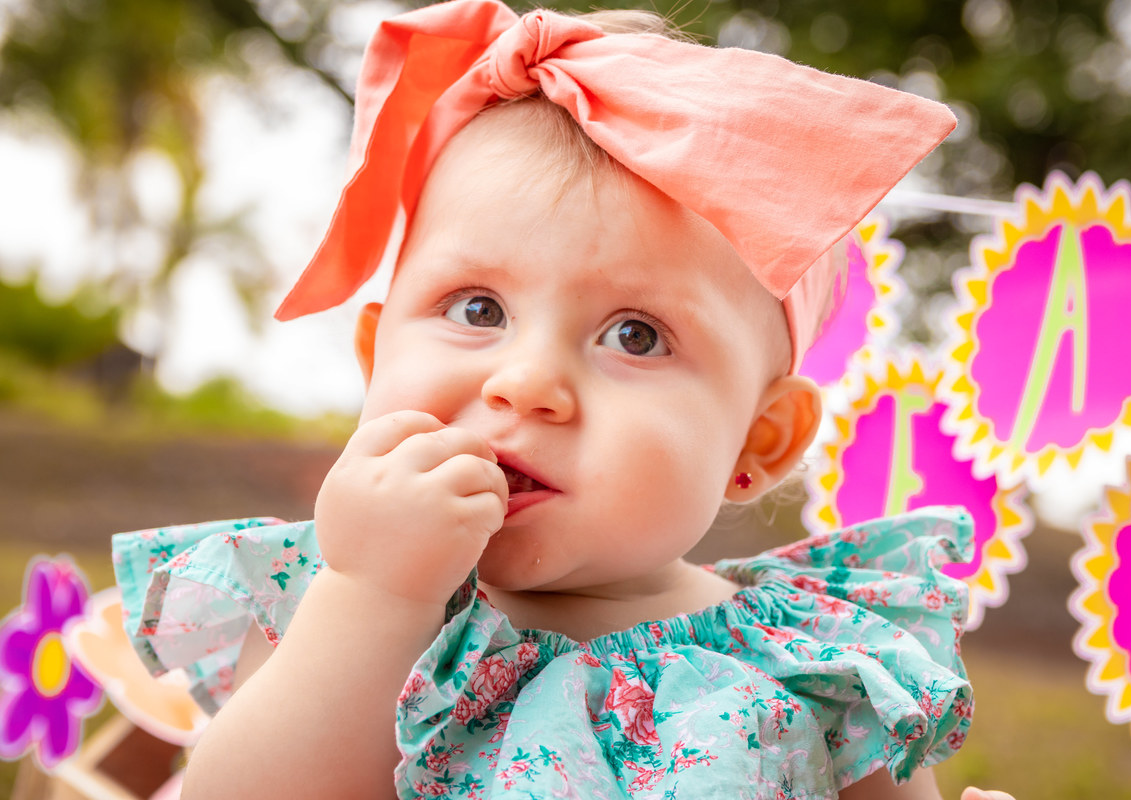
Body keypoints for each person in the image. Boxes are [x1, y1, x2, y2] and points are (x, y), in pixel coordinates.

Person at [112, 2, 1017, 798]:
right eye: (478, 310)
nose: (527, 383)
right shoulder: (334, 593)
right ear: (374, 355)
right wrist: (374, 596)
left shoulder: (816, 661)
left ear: (760, 438)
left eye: (636, 335)